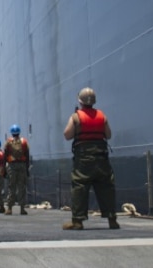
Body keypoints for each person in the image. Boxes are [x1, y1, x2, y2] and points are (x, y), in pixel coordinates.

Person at [62, 87, 120, 230]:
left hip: (83, 158)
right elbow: (108, 135)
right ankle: (112, 219)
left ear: (80, 101)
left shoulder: (76, 117)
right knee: (106, 186)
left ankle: (78, 221)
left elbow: (67, 135)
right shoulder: (102, 116)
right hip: (101, 157)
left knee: (80, 186)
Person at [3, 124, 30, 215]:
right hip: (22, 165)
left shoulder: (8, 142)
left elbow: (5, 155)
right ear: (19, 132)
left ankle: (10, 208)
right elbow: (27, 155)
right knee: (21, 186)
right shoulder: (24, 142)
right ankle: (22, 208)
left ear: (11, 133)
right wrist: (27, 168)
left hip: (12, 166)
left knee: (11, 187)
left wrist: (4, 169)